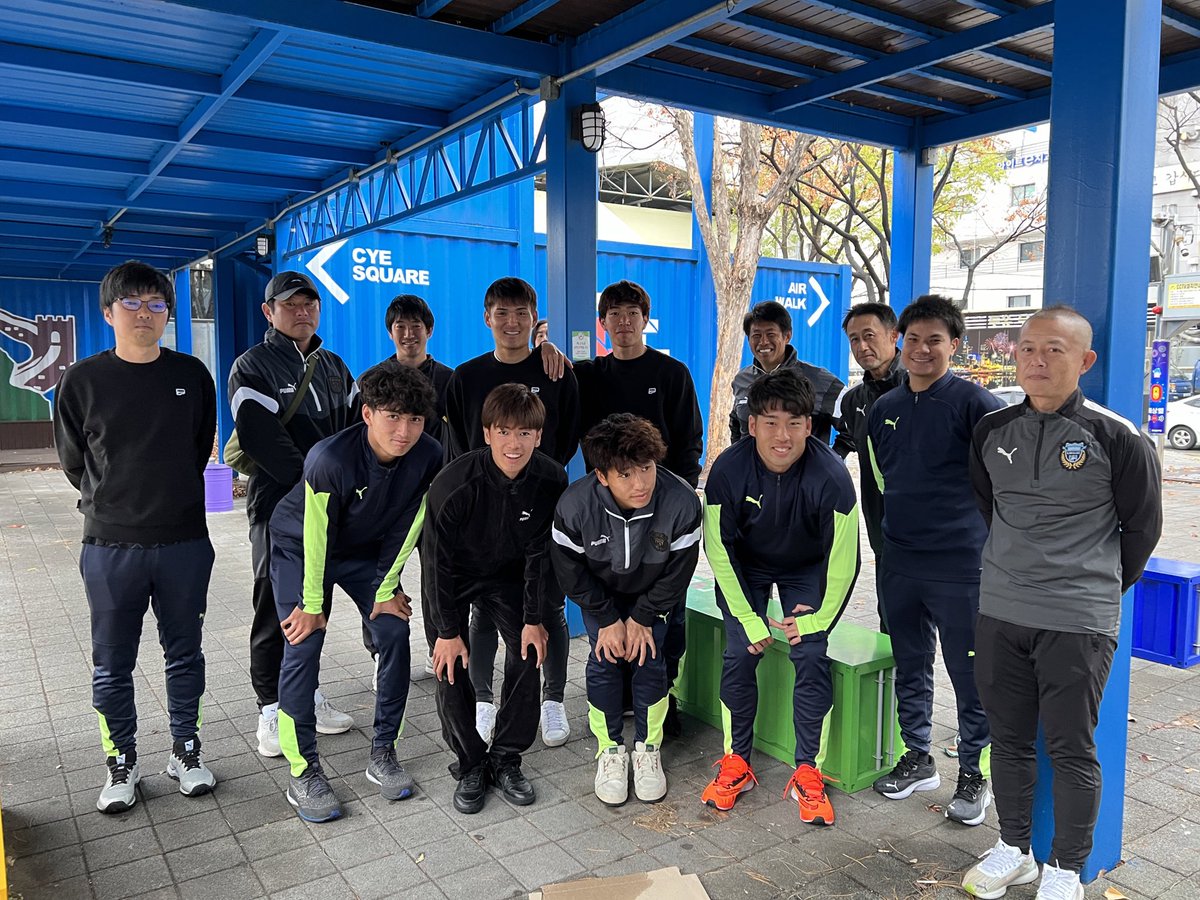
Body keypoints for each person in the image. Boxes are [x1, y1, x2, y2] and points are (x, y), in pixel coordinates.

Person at [962, 307, 1162, 900]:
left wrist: (1088, 586)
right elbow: (990, 508)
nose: (1037, 360)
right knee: (1009, 739)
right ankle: (1014, 850)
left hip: (1077, 620)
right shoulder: (992, 430)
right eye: (1027, 348)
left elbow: (1142, 530)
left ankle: (1066, 869)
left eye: (1054, 349)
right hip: (1001, 611)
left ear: (1085, 360)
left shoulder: (1117, 437)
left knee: (1071, 747)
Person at [53, 260, 218, 813]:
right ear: (109, 312)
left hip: (183, 542)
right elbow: (74, 461)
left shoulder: (192, 375)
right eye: (131, 303)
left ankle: (186, 750)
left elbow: (197, 448)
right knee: (111, 662)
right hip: (109, 546)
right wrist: (114, 501)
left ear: (168, 313)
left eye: (155, 304)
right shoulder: (81, 381)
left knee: (185, 654)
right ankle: (120, 760)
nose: (144, 313)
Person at [265, 361, 441, 822]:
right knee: (303, 642)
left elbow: (411, 524)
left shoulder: (428, 454)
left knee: (394, 633)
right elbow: (315, 534)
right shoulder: (330, 459)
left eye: (415, 419)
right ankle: (303, 771)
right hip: (302, 547)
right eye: (393, 417)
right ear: (367, 414)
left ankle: (384, 753)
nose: (404, 431)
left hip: (365, 551)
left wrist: (386, 587)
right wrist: (312, 605)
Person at [866, 294, 1004, 827]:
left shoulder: (977, 405)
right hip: (900, 563)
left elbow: (1002, 486)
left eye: (935, 340)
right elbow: (883, 480)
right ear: (900, 342)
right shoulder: (884, 408)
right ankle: (918, 757)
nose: (922, 350)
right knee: (910, 663)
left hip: (962, 566)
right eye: (914, 339)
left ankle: (974, 774)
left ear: (955, 345)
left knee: (971, 674)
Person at [701, 369, 860, 826]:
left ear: (809, 425)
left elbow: (845, 561)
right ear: (751, 425)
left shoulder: (832, 476)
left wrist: (815, 621)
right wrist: (747, 618)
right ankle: (737, 762)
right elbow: (718, 550)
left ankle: (808, 769)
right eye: (770, 422)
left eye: (794, 423)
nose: (782, 436)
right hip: (746, 567)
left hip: (805, 567)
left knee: (809, 652)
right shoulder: (728, 470)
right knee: (740, 650)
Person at [228, 271, 360, 758]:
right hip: (276, 508)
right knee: (273, 605)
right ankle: (270, 706)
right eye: (290, 304)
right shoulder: (252, 365)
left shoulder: (334, 366)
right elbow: (261, 437)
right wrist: (316, 485)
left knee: (314, 602)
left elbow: (355, 431)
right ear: (269, 311)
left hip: (327, 509)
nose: (302, 312)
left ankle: (306, 694)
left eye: (310, 304)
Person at [444, 277, 579, 750]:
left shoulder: (557, 372)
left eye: (521, 313)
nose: (512, 322)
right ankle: (484, 700)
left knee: (550, 606)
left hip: (542, 505)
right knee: (485, 609)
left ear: (534, 318)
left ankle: (553, 699)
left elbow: (567, 437)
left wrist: (537, 478)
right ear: (487, 318)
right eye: (502, 313)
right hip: (483, 511)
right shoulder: (466, 377)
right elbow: (460, 446)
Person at [422, 384, 568, 814]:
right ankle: (470, 763)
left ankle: (506, 757)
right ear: (487, 433)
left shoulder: (551, 479)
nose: (513, 444)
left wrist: (533, 619)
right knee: (450, 665)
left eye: (524, 433)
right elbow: (435, 564)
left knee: (529, 651)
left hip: (511, 577)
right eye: (503, 431)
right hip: (454, 577)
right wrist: (447, 631)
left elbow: (540, 555)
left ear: (538, 436)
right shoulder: (453, 484)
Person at [574, 280, 703, 737]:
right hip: (606, 513)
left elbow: (689, 441)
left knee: (667, 610)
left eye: (632, 313)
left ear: (645, 319)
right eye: (614, 314)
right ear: (603, 322)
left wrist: (677, 500)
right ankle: (619, 699)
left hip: (660, 510)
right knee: (611, 603)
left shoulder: (672, 373)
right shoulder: (588, 376)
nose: (624, 322)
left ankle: (663, 699)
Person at [551, 414, 702, 806]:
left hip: (654, 595)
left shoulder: (682, 501)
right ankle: (610, 750)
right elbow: (569, 572)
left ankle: (648, 750)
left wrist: (643, 617)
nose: (641, 483)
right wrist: (606, 618)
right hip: (601, 595)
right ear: (602, 476)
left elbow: (679, 571)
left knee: (650, 657)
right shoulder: (575, 505)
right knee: (605, 658)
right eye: (626, 474)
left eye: (647, 468)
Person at [836, 302, 906, 634]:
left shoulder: (920, 388)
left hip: (930, 536)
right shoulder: (854, 400)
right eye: (854, 339)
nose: (862, 346)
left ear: (893, 335)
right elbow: (846, 440)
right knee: (889, 621)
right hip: (881, 529)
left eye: (869, 335)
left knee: (925, 626)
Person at [729, 301, 848, 451]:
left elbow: (854, 423)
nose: (763, 342)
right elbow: (735, 422)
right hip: (751, 467)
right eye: (756, 335)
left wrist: (832, 458)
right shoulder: (742, 380)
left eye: (771, 334)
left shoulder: (818, 380)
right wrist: (739, 454)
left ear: (787, 336)